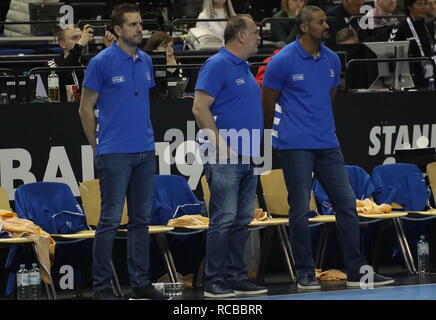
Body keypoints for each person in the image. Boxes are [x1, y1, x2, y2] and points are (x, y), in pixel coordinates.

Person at [261, 6, 395, 290]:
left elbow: (329, 95)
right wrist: (283, 131)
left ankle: (358, 269)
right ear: (304, 27)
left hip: (328, 144)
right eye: (320, 22)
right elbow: (267, 102)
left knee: (346, 204)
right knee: (300, 209)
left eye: (326, 21)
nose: (326, 25)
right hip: (295, 145)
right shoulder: (281, 61)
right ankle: (305, 272)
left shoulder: (333, 59)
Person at [78, 3, 168, 300]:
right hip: (114, 153)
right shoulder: (101, 62)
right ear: (117, 30)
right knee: (110, 221)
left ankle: (140, 283)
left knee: (141, 220)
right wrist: (98, 148)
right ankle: (103, 288)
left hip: (144, 150)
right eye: (132, 24)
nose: (139, 28)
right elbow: (85, 109)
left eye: (140, 23)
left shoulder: (145, 61)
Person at [192, 14, 268, 298]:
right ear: (241, 35)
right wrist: (221, 146)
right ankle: (214, 280)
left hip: (248, 155)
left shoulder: (244, 68)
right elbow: (199, 108)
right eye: (256, 31)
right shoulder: (217, 64)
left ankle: (235, 277)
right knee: (223, 219)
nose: (259, 36)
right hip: (225, 158)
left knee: (241, 219)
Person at [48, 25, 115, 102]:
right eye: (74, 38)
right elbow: (62, 75)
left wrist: (110, 49)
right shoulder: (53, 62)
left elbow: (111, 75)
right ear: (63, 44)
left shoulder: (90, 62)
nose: (80, 40)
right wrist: (79, 46)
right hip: (63, 110)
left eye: (81, 37)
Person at [390, 0, 435, 89]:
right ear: (409, 6)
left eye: (424, 4)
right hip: (409, 77)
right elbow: (390, 51)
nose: (423, 8)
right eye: (419, 4)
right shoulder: (401, 27)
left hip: (427, 75)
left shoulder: (428, 25)